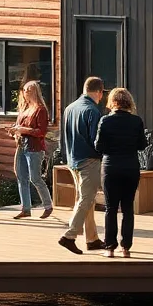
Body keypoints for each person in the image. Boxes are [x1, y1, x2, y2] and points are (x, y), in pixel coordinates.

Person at [57, 77, 105, 254]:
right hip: (89, 160)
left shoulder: (70, 108)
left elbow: (64, 136)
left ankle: (92, 239)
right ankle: (69, 236)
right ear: (99, 92)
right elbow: (96, 141)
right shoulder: (93, 110)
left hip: (72, 160)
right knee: (87, 199)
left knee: (85, 199)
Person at [95, 87, 144, 257]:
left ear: (112, 102)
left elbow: (98, 146)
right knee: (128, 208)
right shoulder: (136, 121)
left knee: (111, 208)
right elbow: (142, 145)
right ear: (129, 102)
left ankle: (110, 247)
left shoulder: (105, 121)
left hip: (111, 167)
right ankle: (126, 247)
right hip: (130, 166)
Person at [9, 80, 52, 220]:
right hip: (21, 146)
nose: (25, 93)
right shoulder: (24, 109)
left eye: (28, 90)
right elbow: (18, 127)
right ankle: (25, 208)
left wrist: (24, 130)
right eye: (24, 90)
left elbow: (41, 132)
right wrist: (14, 131)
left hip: (34, 147)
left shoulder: (40, 110)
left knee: (35, 178)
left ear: (35, 91)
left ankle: (48, 205)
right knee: (21, 176)